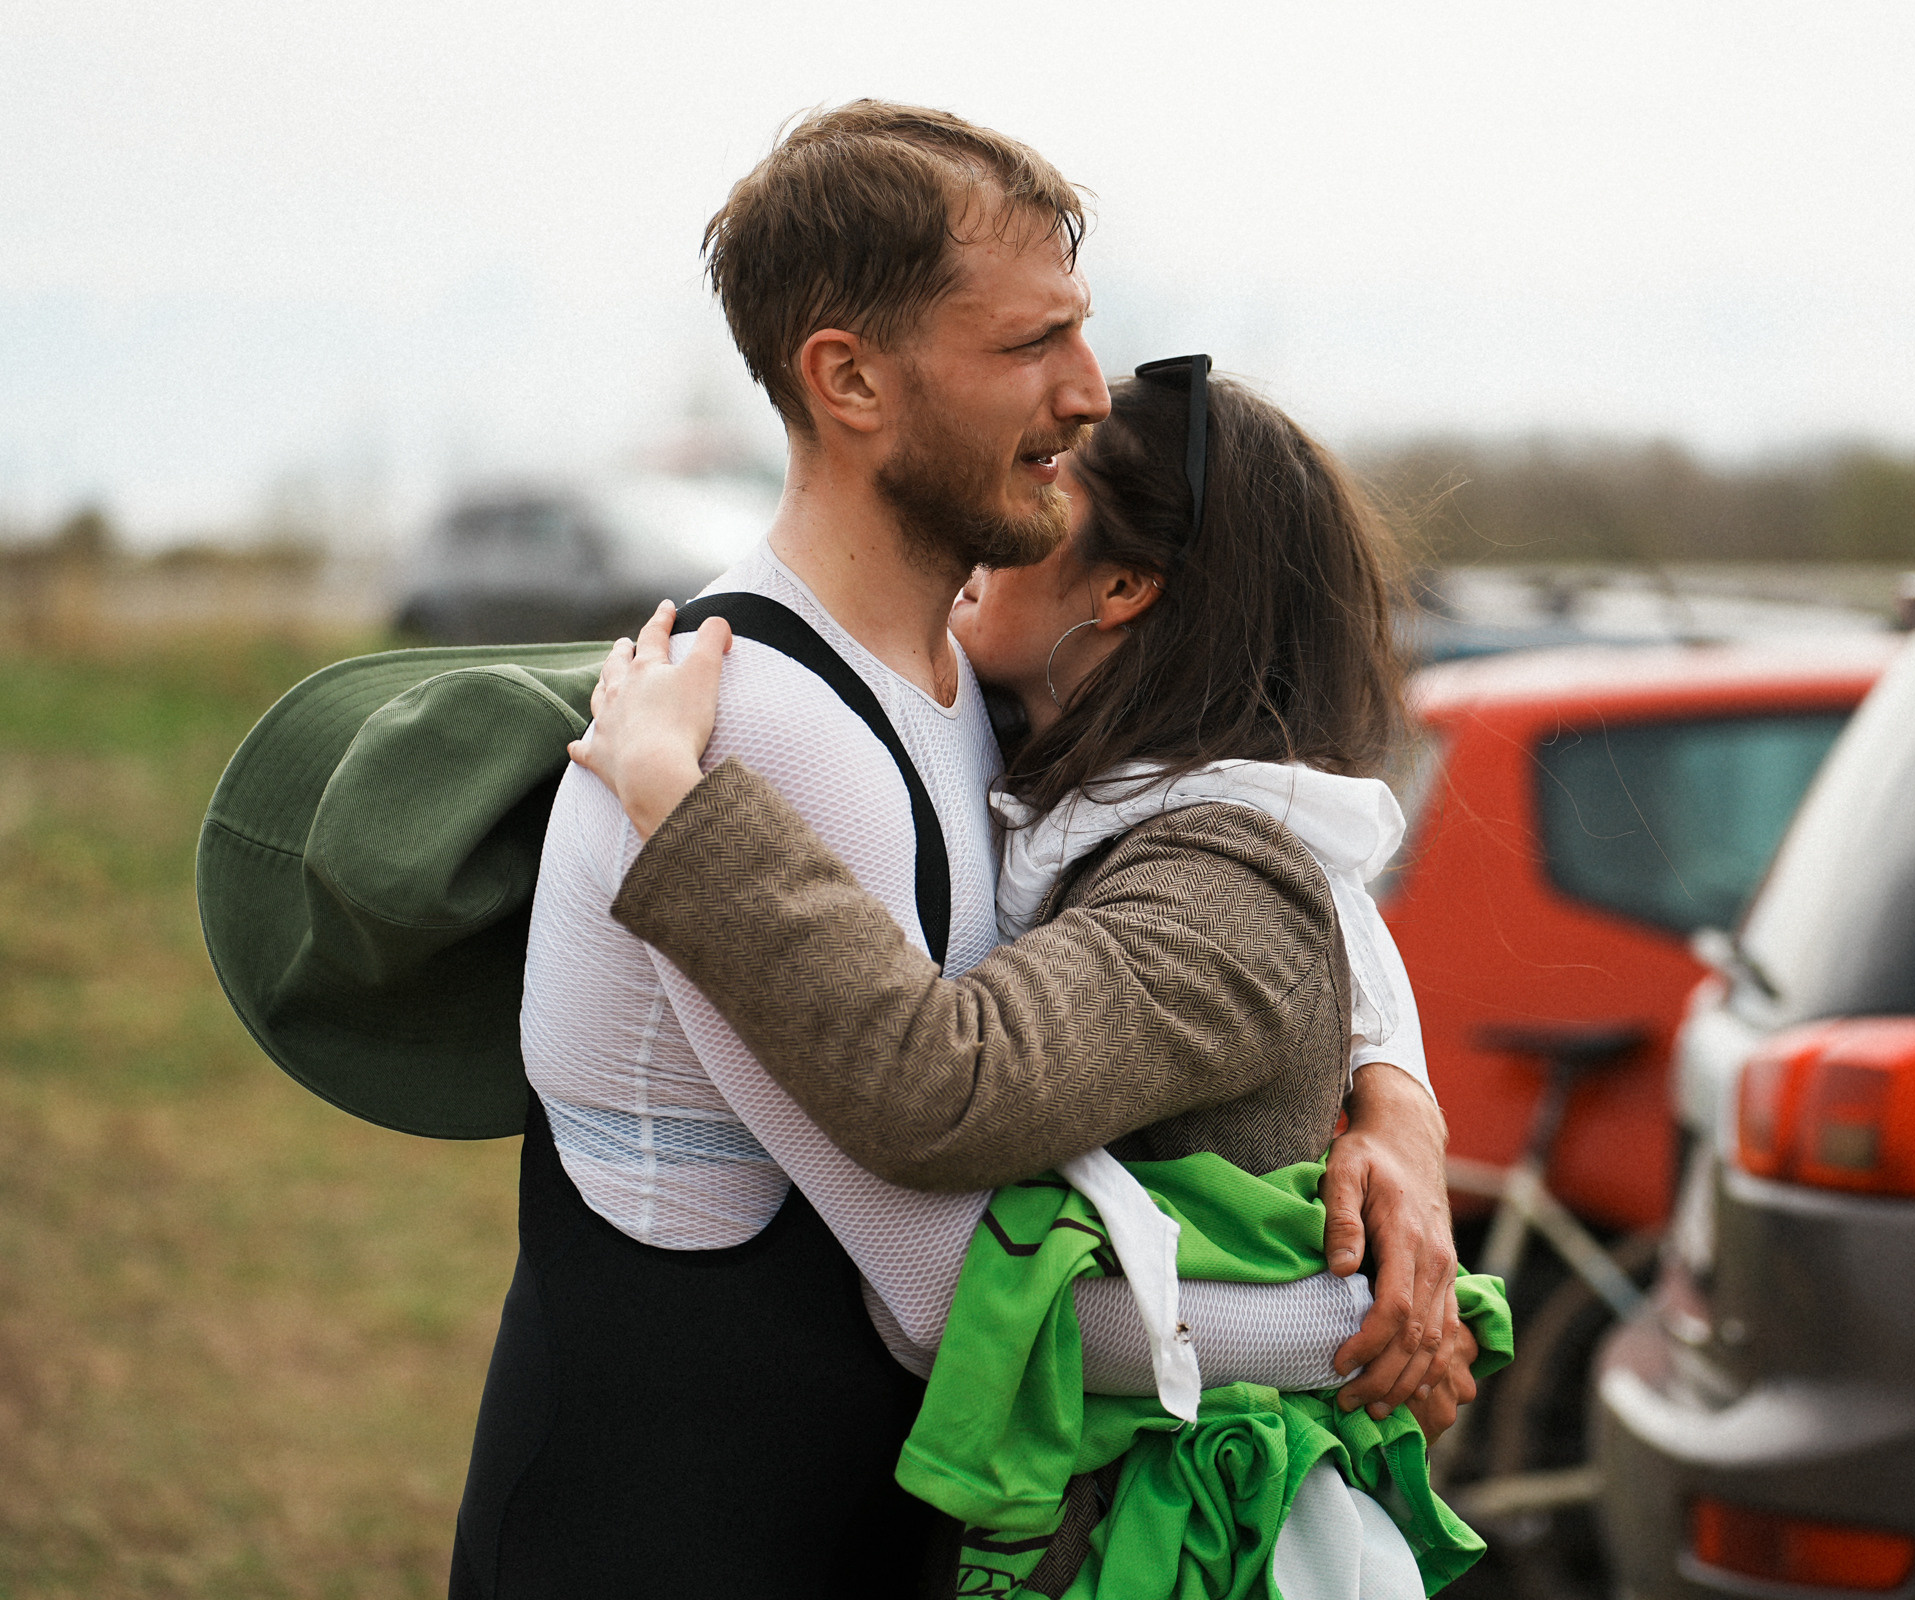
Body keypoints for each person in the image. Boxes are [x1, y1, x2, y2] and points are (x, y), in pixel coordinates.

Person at [448, 101, 1458, 1599]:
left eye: (1082, 333)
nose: (1083, 390)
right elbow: (948, 1288)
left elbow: (1259, 866)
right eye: (1028, 346)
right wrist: (1362, 1328)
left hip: (851, 1528)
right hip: (658, 1537)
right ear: (849, 379)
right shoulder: (747, 729)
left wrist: (1400, 1103)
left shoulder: (967, 690)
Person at [572, 365, 1498, 1594]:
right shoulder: (1097, 799)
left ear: (1121, 586)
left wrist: (674, 801)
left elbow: (952, 1084)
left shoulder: (1222, 877)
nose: (992, 521)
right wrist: (1400, 1089)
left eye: (1044, 490)